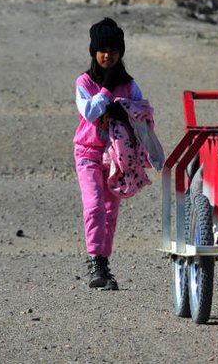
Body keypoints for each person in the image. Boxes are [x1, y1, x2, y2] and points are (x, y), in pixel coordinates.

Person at [73, 17, 145, 290]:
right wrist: (106, 90)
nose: (107, 55)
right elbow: (90, 112)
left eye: (113, 51)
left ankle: (103, 263)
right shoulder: (84, 82)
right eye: (102, 50)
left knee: (110, 211)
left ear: (120, 53)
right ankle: (94, 260)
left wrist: (123, 108)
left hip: (117, 156)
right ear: (94, 52)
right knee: (93, 207)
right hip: (88, 152)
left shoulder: (129, 84)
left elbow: (143, 112)